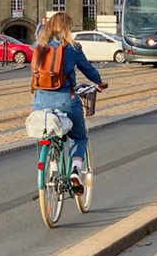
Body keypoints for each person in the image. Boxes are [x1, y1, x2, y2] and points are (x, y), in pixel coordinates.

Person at [32, 12, 107, 194]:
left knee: (45, 134)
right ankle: (74, 170)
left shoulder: (39, 46)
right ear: (67, 28)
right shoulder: (72, 48)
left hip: (40, 101)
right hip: (66, 99)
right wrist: (99, 82)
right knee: (79, 137)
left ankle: (51, 164)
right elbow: (88, 70)